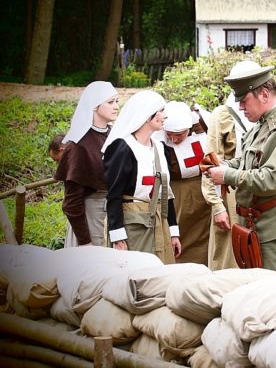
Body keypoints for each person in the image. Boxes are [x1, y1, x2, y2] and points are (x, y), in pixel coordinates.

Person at [206, 60, 276, 274]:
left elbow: (271, 181)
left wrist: (227, 175)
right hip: (261, 225)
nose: (240, 107)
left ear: (264, 94)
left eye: (244, 100)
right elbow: (246, 161)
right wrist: (224, 166)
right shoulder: (261, 126)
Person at [102, 90, 181, 264]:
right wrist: (117, 236)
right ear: (147, 115)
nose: (165, 115)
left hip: (159, 223)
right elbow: (114, 195)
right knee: (135, 271)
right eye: (161, 111)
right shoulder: (123, 148)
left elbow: (166, 193)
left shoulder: (160, 148)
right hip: (133, 224)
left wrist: (173, 231)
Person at [54, 81, 119, 247]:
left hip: (114, 216)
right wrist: (85, 241)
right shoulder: (78, 145)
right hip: (90, 220)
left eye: (117, 101)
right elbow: (72, 203)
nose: (116, 106)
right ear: (95, 106)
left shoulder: (115, 136)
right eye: (110, 102)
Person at [201, 92, 255, 270]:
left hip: (256, 187)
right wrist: (217, 205)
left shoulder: (264, 114)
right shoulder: (223, 115)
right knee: (229, 252)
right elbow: (210, 161)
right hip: (230, 192)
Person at [155, 101, 212, 265]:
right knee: (178, 231)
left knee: (206, 232)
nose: (174, 139)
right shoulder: (158, 136)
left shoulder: (205, 123)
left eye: (179, 134)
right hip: (177, 190)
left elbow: (216, 151)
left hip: (204, 185)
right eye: (170, 134)